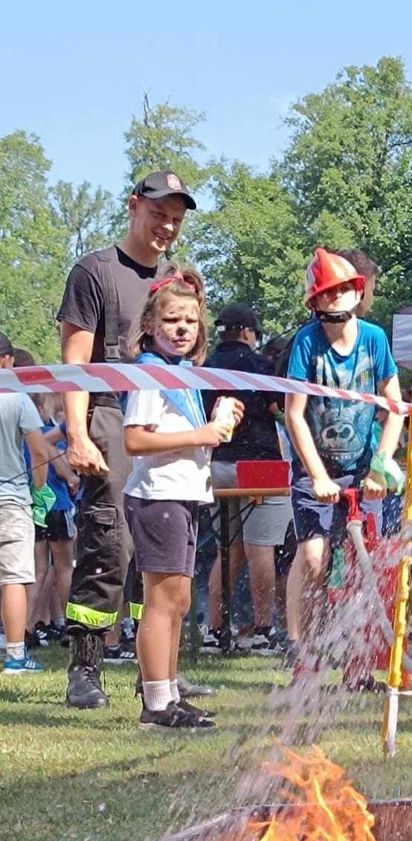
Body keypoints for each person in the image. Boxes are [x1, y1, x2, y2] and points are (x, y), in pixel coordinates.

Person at [55, 170, 198, 708]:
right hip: (111, 416)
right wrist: (77, 433)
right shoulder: (95, 271)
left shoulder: (176, 280)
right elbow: (74, 364)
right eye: (159, 213)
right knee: (109, 540)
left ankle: (157, 676)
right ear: (134, 206)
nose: (167, 226)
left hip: (165, 419)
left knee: (161, 550)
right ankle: (85, 668)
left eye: (176, 220)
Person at [121, 265, 237, 731]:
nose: (182, 328)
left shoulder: (182, 375)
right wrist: (203, 431)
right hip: (158, 497)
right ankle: (155, 704)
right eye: (171, 320)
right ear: (151, 326)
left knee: (179, 601)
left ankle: (168, 693)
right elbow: (135, 440)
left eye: (190, 320)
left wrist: (217, 422)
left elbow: (191, 437)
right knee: (162, 603)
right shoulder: (152, 375)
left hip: (182, 495)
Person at [284, 248, 405, 684]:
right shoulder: (307, 343)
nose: (334, 299)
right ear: (315, 303)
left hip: (361, 469)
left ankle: (358, 662)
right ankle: (307, 653)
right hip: (315, 469)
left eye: (341, 290)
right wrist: (315, 474)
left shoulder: (374, 339)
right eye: (326, 293)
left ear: (356, 291)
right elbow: (294, 413)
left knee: (362, 567)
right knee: (315, 560)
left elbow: (395, 406)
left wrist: (381, 466)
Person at [201, 304, 291, 656]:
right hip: (261, 464)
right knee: (261, 548)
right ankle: (263, 630)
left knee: (228, 549)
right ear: (250, 333)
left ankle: (214, 630)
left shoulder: (205, 368)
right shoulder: (261, 367)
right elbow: (280, 413)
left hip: (218, 462)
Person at [0, 332, 55, 674]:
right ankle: (16, 655)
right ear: (7, 361)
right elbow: (38, 450)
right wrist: (38, 490)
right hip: (12, 498)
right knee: (14, 578)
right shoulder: (18, 400)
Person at [29, 394, 80, 647]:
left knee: (37, 570)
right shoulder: (48, 435)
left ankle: (24, 629)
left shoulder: (23, 436)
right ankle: (70, 627)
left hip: (35, 504)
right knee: (64, 567)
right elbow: (60, 466)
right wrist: (72, 476)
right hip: (57, 504)